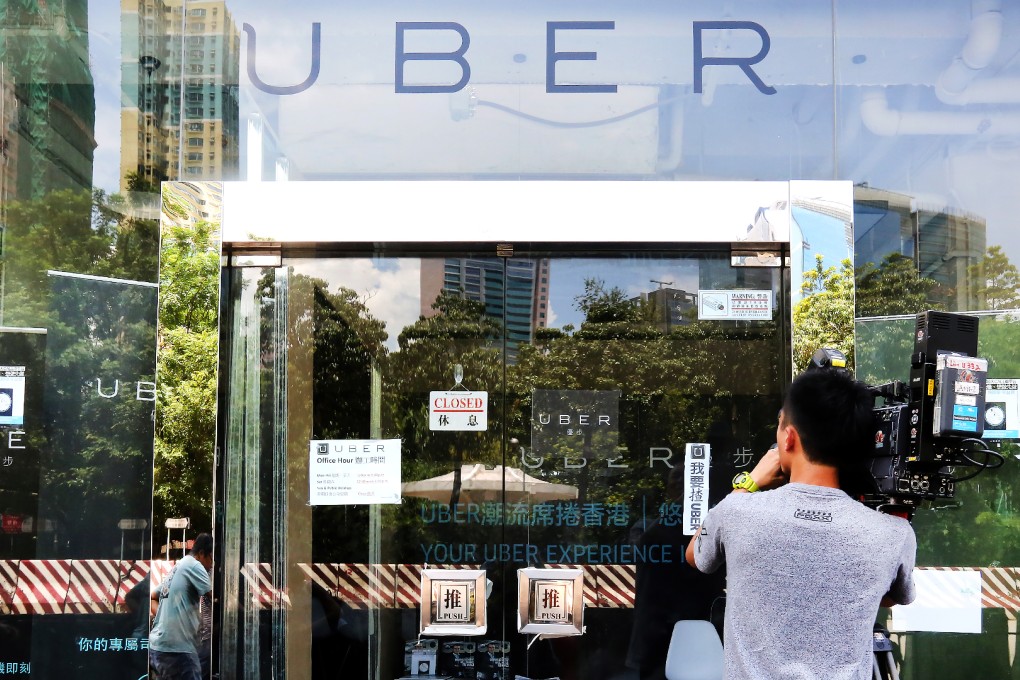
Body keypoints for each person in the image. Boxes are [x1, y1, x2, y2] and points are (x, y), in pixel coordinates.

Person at [685, 368, 916, 680]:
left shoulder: (738, 512)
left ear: (789, 436)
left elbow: (695, 554)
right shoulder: (893, 534)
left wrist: (749, 482)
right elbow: (887, 596)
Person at [149, 533, 214, 680]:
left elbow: (153, 596)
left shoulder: (179, 566)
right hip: (178, 651)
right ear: (202, 553)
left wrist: (169, 619)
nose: (212, 564)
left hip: (159, 647)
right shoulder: (195, 565)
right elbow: (216, 599)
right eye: (211, 558)